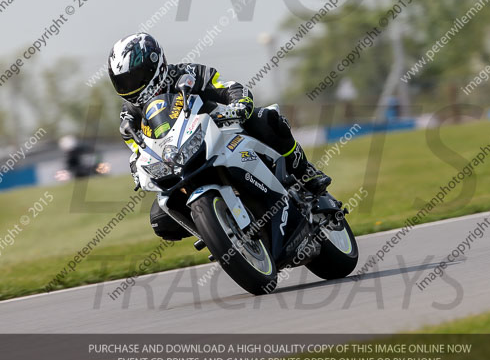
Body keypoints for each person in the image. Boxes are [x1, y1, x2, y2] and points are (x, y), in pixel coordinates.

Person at [107, 32, 330, 241]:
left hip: (219, 132)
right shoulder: (129, 115)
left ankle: (305, 173)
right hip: (178, 161)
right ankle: (219, 233)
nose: (130, 87)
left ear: (153, 64)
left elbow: (225, 87)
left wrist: (239, 103)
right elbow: (139, 150)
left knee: (266, 118)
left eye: (134, 78)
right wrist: (136, 167)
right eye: (123, 82)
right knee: (160, 220)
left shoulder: (184, 74)